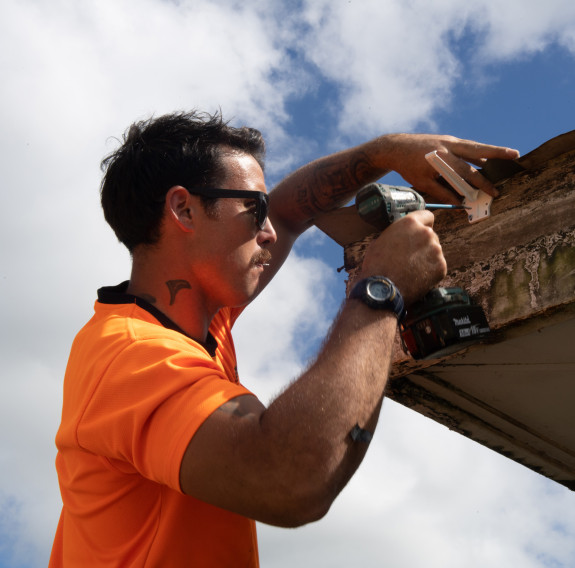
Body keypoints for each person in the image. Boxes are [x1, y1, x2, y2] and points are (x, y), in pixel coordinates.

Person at [50, 110, 519, 567]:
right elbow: (289, 479)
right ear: (184, 209)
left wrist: (386, 151)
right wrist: (382, 288)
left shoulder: (194, 323)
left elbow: (294, 210)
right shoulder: (132, 354)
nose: (271, 231)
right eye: (254, 209)